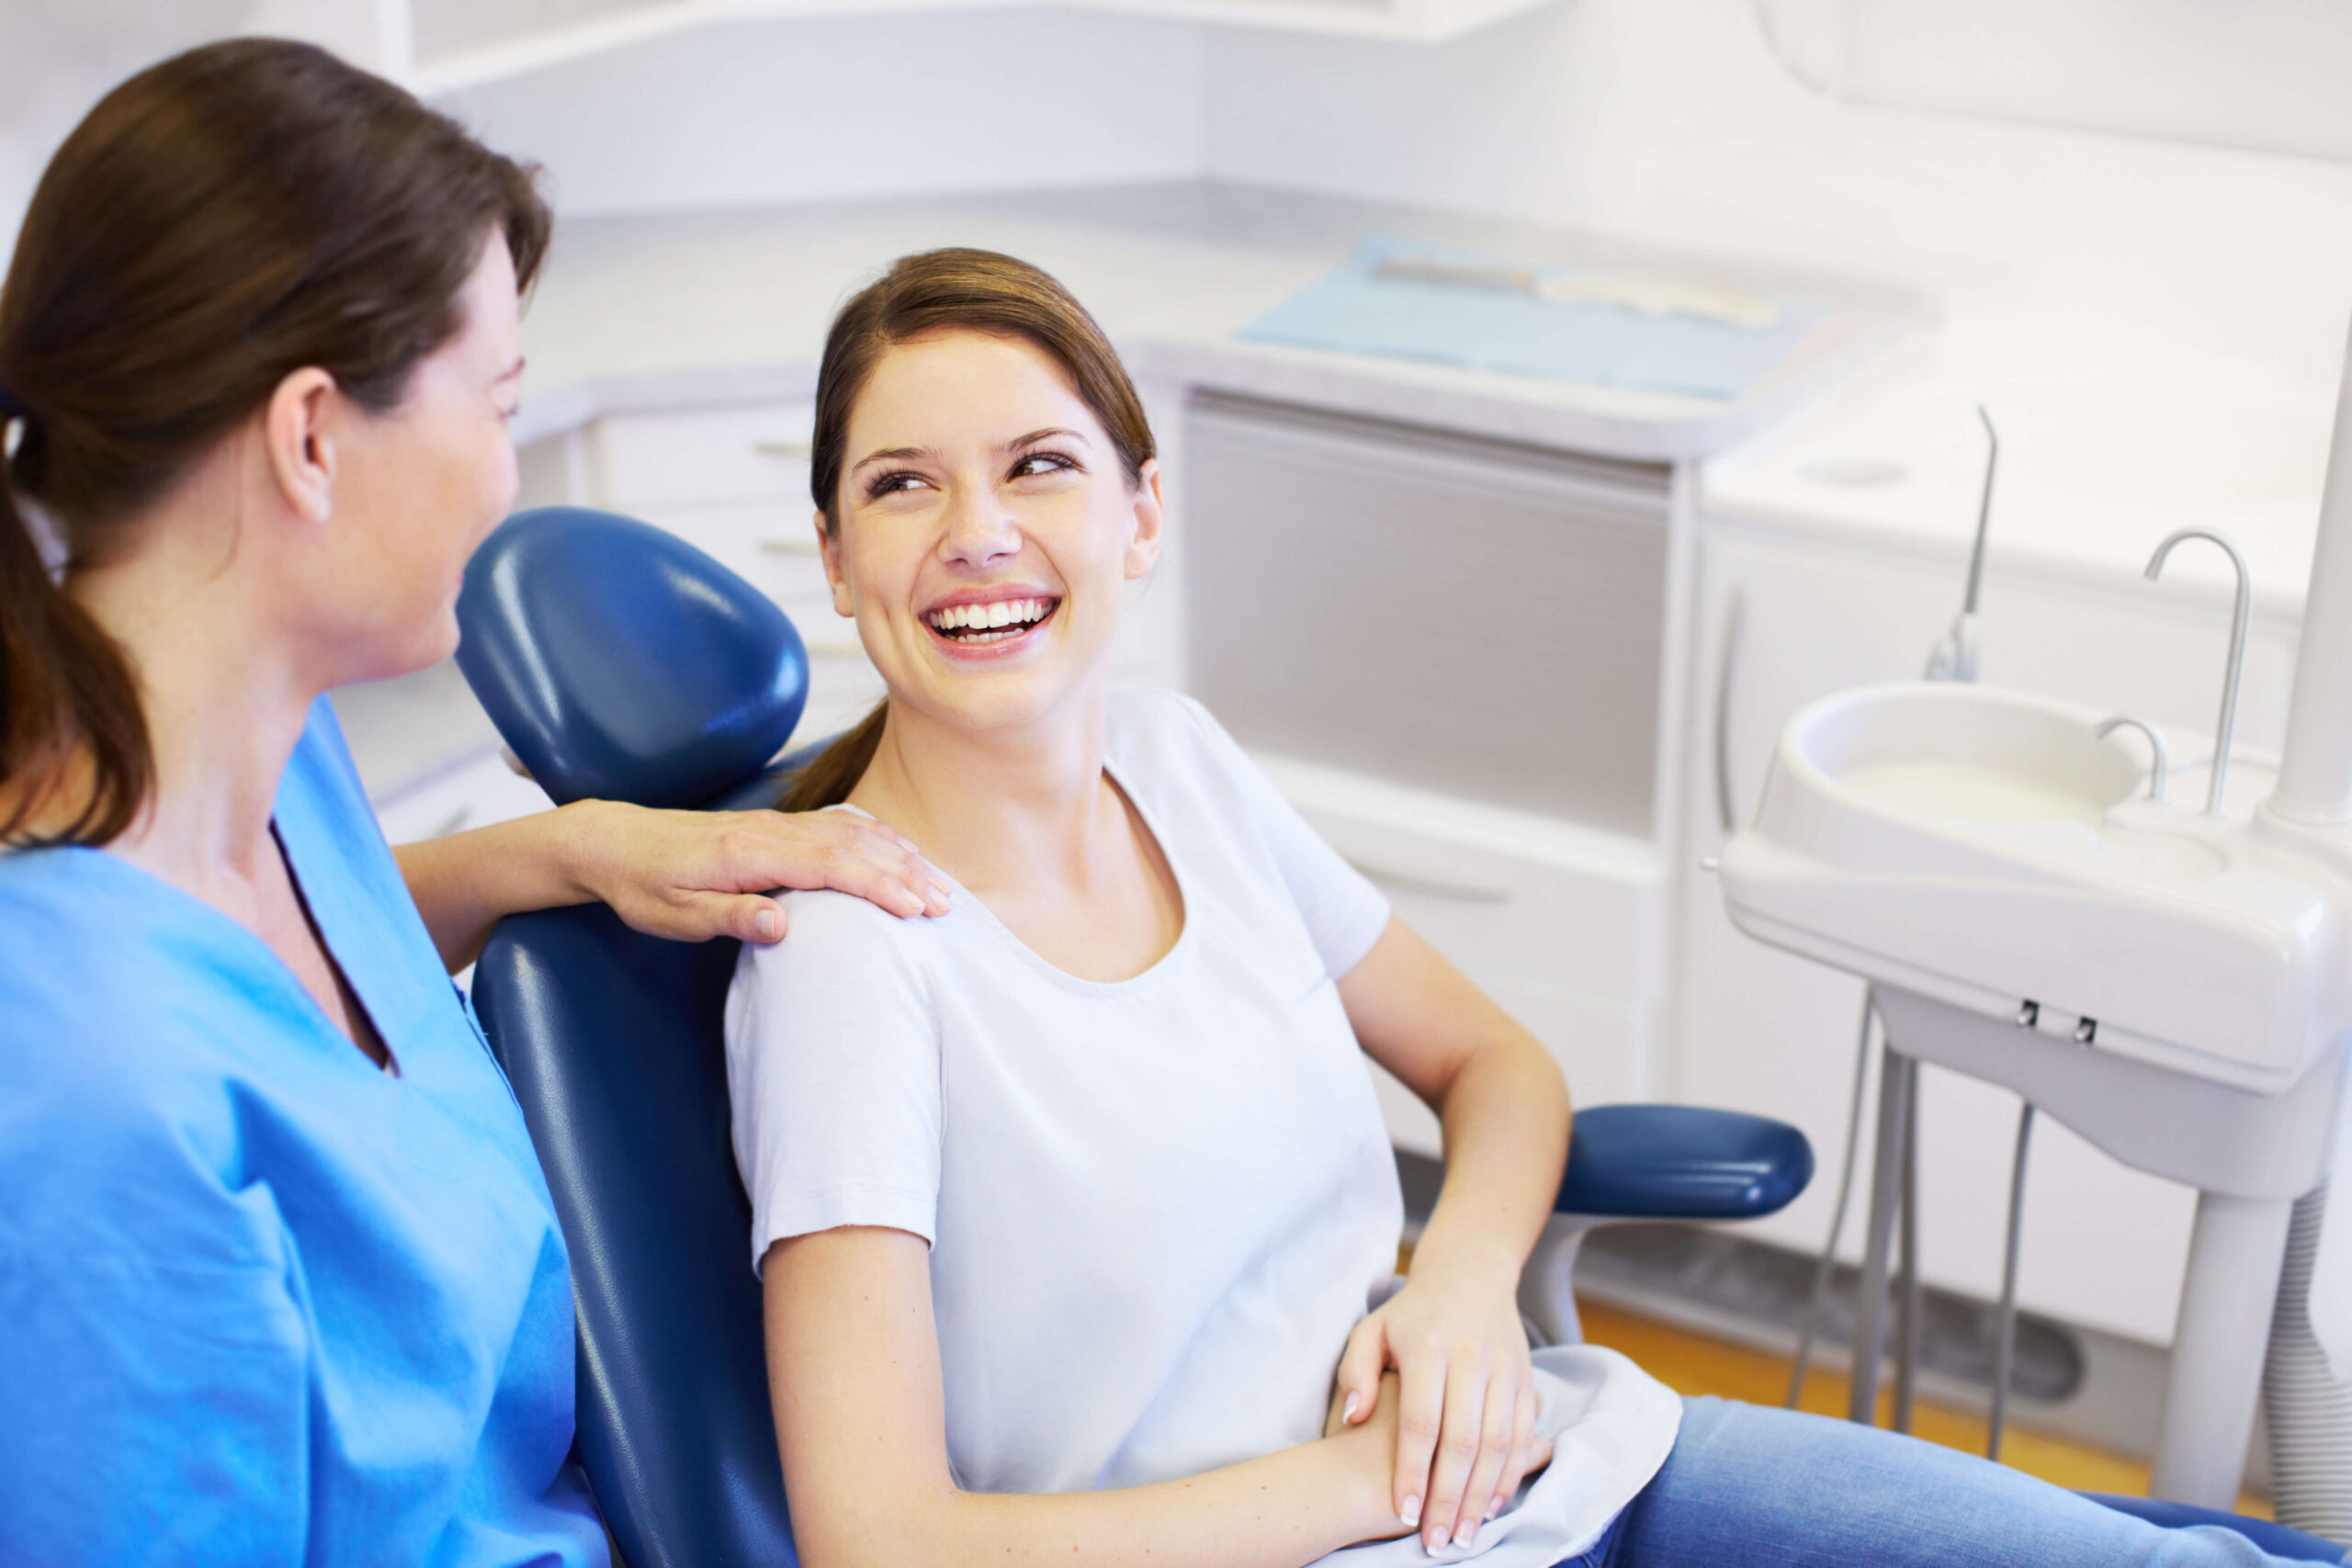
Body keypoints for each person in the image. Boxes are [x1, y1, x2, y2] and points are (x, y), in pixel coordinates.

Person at [726, 247, 2334, 1568]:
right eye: (903, 487)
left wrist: (1464, 1290)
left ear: (1142, 515)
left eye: (1039, 465)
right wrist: (1374, 1488)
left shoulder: (1177, 762)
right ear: (838, 556)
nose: (979, 534)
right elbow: (881, 1542)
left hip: (1559, 1468)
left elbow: (1495, 1064)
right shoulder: (847, 957)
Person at [0, 40, 947, 1565]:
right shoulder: (86, 1101)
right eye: (497, 403)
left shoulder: (262, 758)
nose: (510, 478)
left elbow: (286, 972)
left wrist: (566, 849)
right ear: (313, 437)